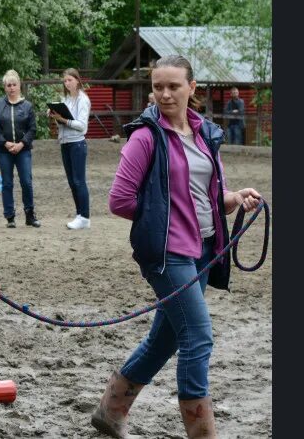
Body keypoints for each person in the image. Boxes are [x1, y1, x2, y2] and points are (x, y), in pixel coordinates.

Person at [92, 55, 261, 439]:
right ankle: (202, 434)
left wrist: (234, 198)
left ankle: (110, 410)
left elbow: (207, 194)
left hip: (203, 249)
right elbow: (119, 200)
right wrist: (162, 217)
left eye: (173, 86)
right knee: (198, 336)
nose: (165, 94)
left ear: (192, 88)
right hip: (168, 255)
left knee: (164, 339)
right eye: (158, 87)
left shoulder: (205, 134)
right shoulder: (145, 137)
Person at [0, 70, 40, 228]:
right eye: (8, 85)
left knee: (26, 181)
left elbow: (32, 129)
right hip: (4, 151)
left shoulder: (28, 106)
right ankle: (10, 217)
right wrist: (5, 143)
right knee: (7, 183)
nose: (11, 88)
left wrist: (22, 143)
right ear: (4, 87)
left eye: (14, 85)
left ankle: (30, 215)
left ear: (19, 86)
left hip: (23, 150)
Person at [48, 68, 91, 229]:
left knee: (79, 181)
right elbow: (62, 115)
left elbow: (82, 126)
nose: (67, 83)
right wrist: (53, 113)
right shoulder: (65, 99)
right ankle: (79, 214)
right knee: (72, 181)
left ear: (77, 81)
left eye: (70, 80)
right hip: (65, 143)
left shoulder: (83, 100)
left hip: (77, 143)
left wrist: (63, 120)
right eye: (65, 81)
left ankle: (85, 216)